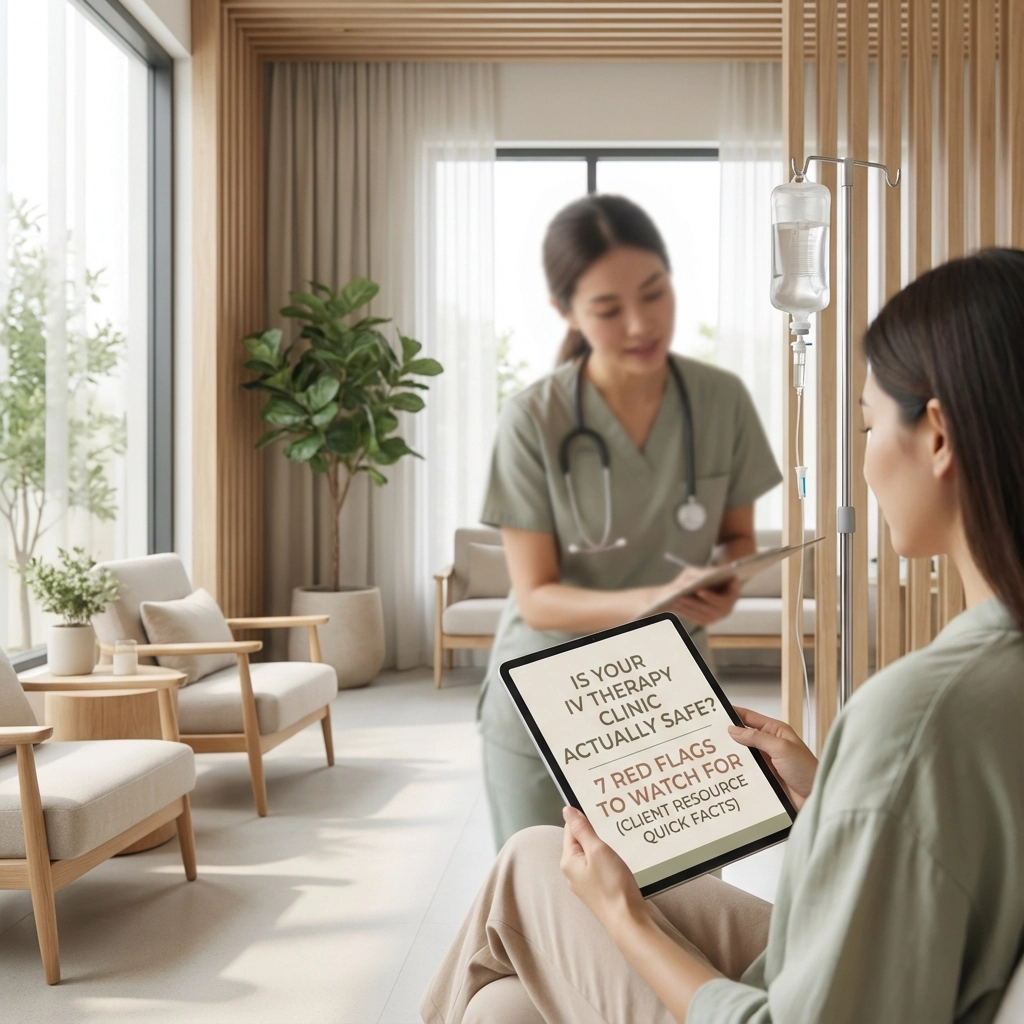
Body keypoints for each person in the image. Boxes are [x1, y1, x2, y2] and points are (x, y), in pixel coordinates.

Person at [424, 248, 1024, 1024]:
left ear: (937, 437)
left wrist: (623, 919)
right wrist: (831, 798)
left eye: (870, 422)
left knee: (531, 874)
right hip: (907, 971)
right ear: (569, 314)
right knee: (506, 997)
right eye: (608, 308)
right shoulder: (975, 689)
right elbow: (950, 856)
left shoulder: (917, 716)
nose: (867, 461)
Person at [478, 195, 782, 849]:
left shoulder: (720, 399)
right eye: (609, 310)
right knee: (546, 916)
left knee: (691, 907)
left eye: (655, 293)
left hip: (673, 684)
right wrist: (654, 602)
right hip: (549, 687)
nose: (642, 324)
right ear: (565, 311)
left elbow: (737, 536)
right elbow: (536, 596)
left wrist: (725, 580)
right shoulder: (532, 419)